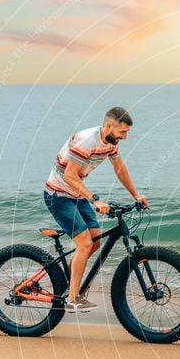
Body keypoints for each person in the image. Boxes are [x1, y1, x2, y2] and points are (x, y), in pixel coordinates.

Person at [44, 107, 150, 313]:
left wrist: (135, 195)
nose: (125, 137)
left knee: (95, 241)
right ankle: (73, 297)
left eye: (127, 132)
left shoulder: (110, 143)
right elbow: (69, 176)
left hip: (76, 194)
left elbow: (120, 168)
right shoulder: (86, 141)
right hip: (58, 195)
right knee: (84, 244)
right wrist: (95, 199)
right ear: (109, 126)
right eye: (122, 132)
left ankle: (69, 282)